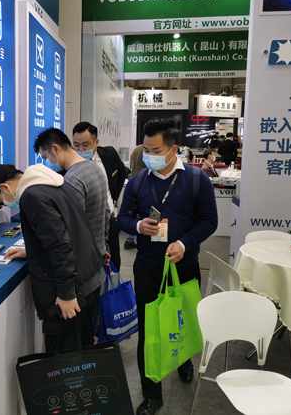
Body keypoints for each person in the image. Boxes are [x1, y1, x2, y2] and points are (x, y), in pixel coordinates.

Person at [118, 118, 218, 415]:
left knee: (181, 321)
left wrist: (184, 243)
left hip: (184, 266)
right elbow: (122, 218)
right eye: (146, 149)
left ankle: (183, 361)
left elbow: (209, 221)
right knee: (149, 330)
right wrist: (138, 226)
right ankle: (152, 394)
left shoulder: (197, 180)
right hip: (148, 267)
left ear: (174, 149)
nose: (149, 155)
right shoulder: (137, 181)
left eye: (156, 150)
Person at [0, 164, 104, 353]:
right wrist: (32, 251)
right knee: (84, 351)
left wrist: (66, 294)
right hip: (88, 278)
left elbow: (60, 246)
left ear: (4, 187)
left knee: (64, 359)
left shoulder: (32, 197)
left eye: (1, 201)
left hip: (73, 290)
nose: (6, 205)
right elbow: (66, 230)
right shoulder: (50, 183)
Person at [34, 127, 110, 262]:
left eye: (46, 157)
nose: (47, 163)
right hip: (97, 253)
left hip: (82, 260)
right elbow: (106, 213)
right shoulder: (94, 168)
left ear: (56, 149)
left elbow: (70, 231)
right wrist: (102, 247)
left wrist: (32, 252)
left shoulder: (72, 179)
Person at [73, 121, 128, 271]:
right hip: (86, 226)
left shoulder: (109, 154)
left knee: (114, 263)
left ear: (96, 142)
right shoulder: (69, 166)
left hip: (109, 219)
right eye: (76, 145)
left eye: (85, 145)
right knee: (91, 267)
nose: (80, 150)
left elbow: (122, 172)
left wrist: (114, 196)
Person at [125, 144, 146, 250]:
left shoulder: (137, 149)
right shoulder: (146, 151)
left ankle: (129, 239)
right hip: (143, 182)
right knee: (139, 214)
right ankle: (129, 240)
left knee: (133, 212)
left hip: (135, 180)